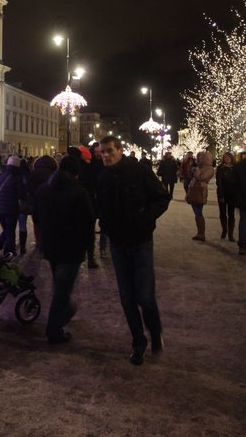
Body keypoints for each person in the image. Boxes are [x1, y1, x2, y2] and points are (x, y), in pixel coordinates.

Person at [97, 136, 170, 365]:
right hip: (118, 243)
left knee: (145, 296)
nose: (105, 155)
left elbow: (161, 198)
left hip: (140, 241)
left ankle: (155, 330)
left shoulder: (138, 171)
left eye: (109, 151)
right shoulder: (103, 177)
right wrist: (105, 225)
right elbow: (100, 205)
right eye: (102, 152)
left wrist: (145, 218)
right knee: (127, 298)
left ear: (120, 150)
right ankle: (138, 342)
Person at [35, 155, 95, 345]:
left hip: (51, 247)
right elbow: (88, 222)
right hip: (71, 248)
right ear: (76, 172)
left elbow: (36, 216)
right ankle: (54, 330)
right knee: (62, 290)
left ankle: (65, 312)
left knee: (60, 285)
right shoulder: (79, 192)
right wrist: (87, 246)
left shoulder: (44, 190)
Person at [0, 155, 26, 256]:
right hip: (11, 208)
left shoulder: (0, 175)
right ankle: (9, 251)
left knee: (7, 230)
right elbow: (21, 193)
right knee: (10, 231)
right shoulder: (17, 176)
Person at [29, 155, 58, 253]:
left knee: (36, 222)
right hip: (49, 202)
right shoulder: (54, 174)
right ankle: (47, 242)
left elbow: (28, 188)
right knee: (48, 222)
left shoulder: (32, 173)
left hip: (35, 202)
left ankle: (38, 242)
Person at [186, 150, 214, 241]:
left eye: (201, 158)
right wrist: (191, 169)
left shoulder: (209, 168)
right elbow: (191, 177)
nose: (199, 159)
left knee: (198, 212)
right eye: (198, 158)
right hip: (194, 190)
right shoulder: (199, 167)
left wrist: (197, 171)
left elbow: (202, 178)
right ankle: (200, 233)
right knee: (197, 212)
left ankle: (201, 233)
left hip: (200, 191)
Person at [215, 151, 237, 242]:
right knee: (223, 213)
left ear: (231, 158)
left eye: (228, 157)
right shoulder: (220, 168)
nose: (226, 159)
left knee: (231, 214)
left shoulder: (235, 168)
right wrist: (221, 194)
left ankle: (231, 234)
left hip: (232, 193)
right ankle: (224, 230)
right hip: (222, 193)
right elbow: (219, 182)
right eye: (225, 158)